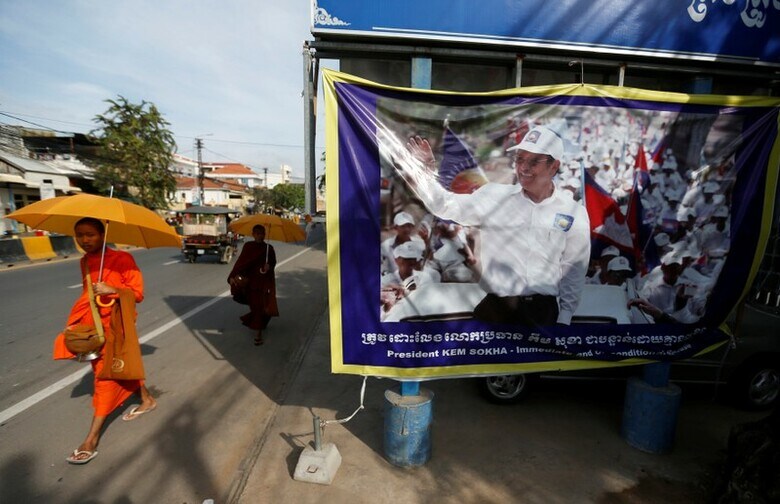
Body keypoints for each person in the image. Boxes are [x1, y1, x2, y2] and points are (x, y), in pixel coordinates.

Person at [404, 124, 591, 325]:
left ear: (554, 166)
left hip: (543, 314)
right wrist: (424, 176)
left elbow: (574, 269)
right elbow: (445, 206)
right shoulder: (493, 196)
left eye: (534, 161)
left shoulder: (574, 212)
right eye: (520, 158)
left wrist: (564, 319)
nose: (524, 167)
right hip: (495, 311)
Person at [53, 217, 157, 465]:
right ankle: (147, 399)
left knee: (105, 377)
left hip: (116, 326)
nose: (85, 240)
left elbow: (138, 293)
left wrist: (113, 289)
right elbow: (86, 295)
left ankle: (91, 439)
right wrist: (80, 320)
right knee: (121, 365)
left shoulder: (123, 259)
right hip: (94, 327)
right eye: (80, 235)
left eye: (90, 234)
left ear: (102, 235)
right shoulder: (85, 262)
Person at [228, 225, 279, 345]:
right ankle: (258, 329)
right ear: (253, 234)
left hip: (263, 284)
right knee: (256, 308)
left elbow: (273, 262)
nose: (260, 236)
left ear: (265, 234)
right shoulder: (248, 246)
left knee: (262, 307)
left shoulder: (268, 248)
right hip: (250, 283)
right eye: (257, 233)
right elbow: (241, 263)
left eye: (262, 233)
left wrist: (269, 266)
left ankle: (258, 331)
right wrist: (232, 276)